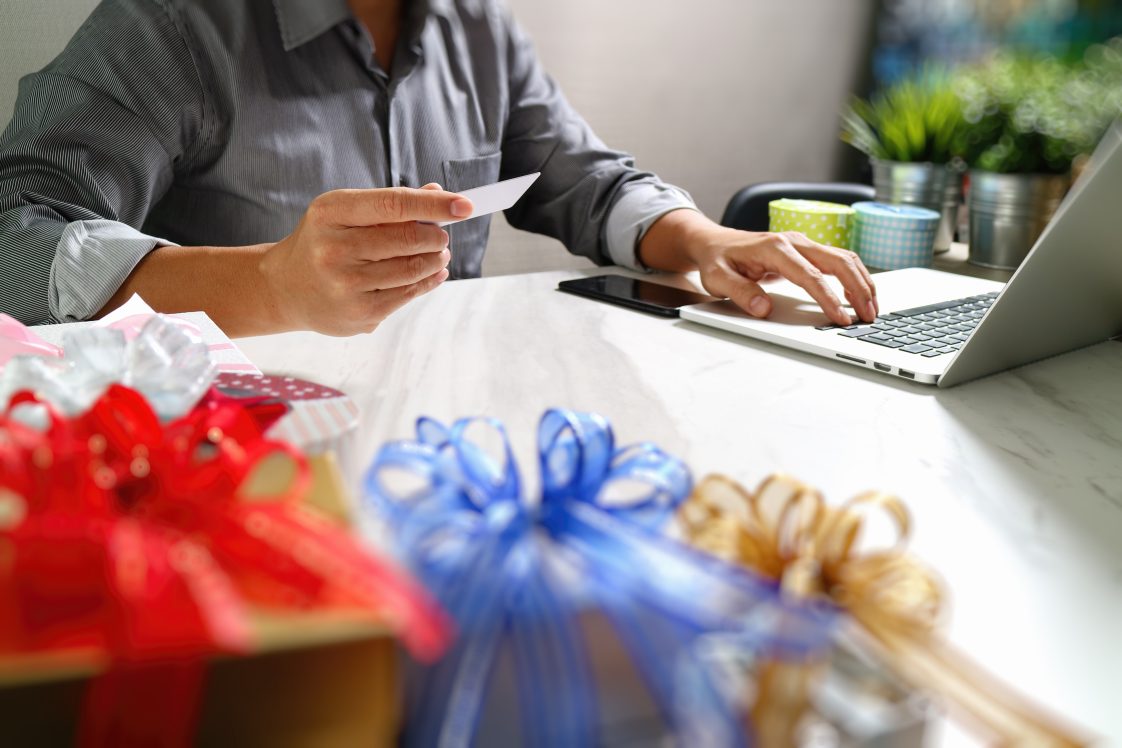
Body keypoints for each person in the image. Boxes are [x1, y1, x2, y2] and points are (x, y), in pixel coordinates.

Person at [0, 0, 878, 337]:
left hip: (448, 442)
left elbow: (584, 181)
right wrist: (273, 284)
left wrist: (704, 239)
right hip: (241, 471)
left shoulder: (478, 27)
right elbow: (14, 235)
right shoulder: (175, 25)